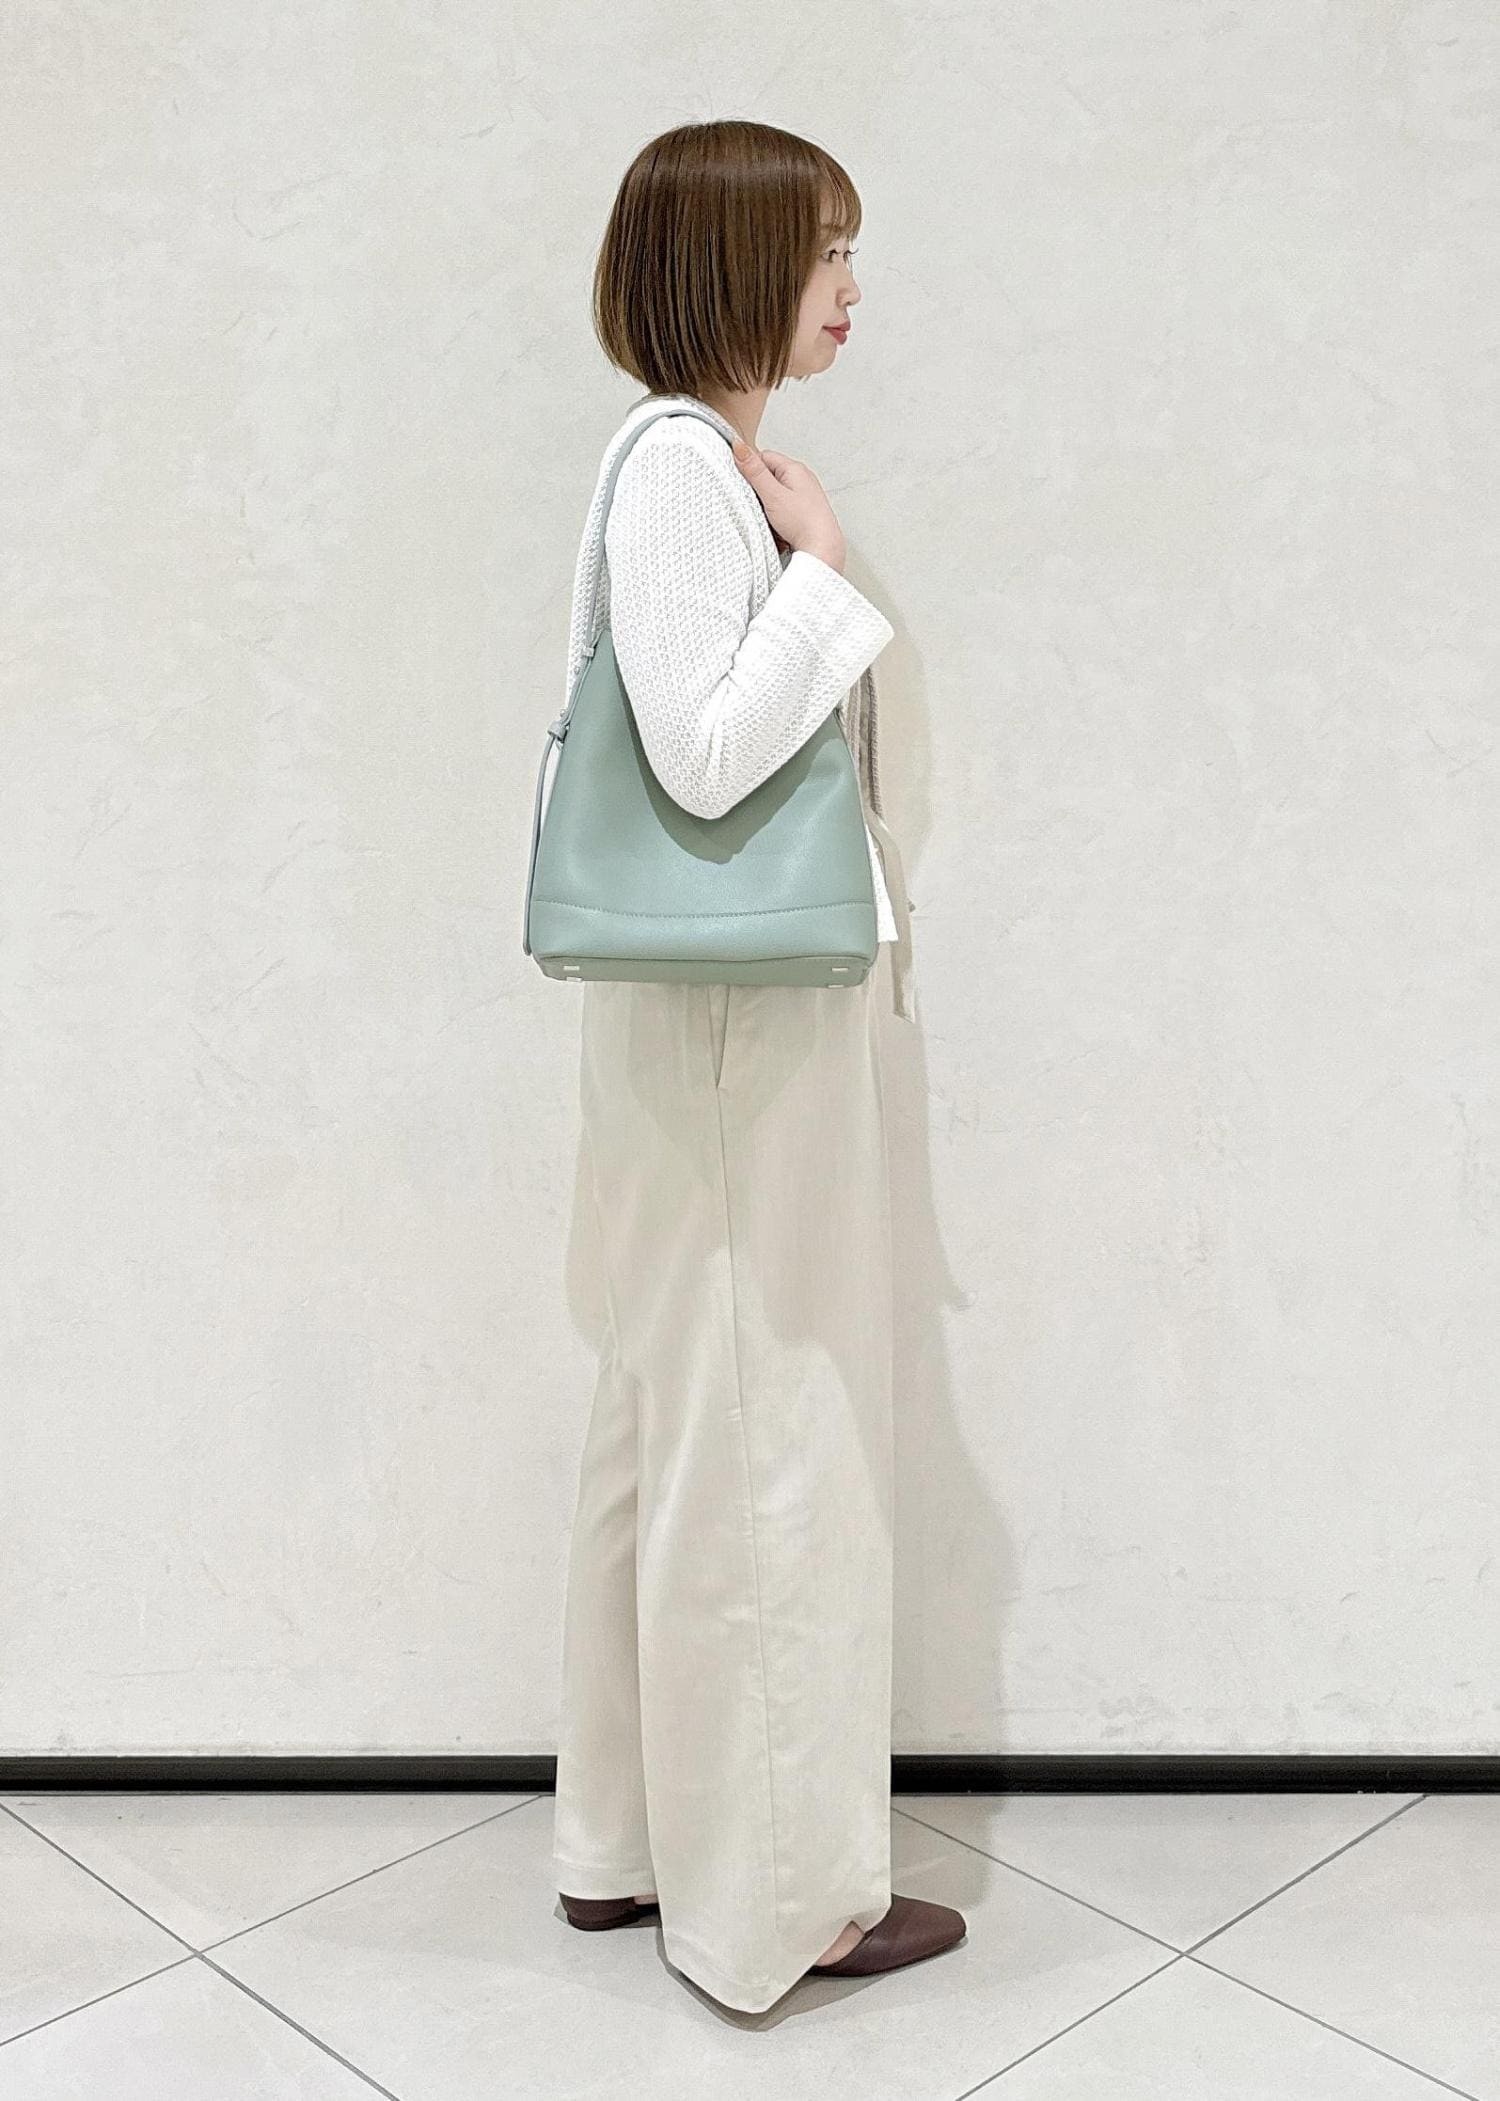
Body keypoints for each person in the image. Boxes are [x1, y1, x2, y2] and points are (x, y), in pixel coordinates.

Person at [549, 117, 965, 2015]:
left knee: (672, 1411)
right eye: (828, 252)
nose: (853, 289)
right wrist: (825, 571)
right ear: (737, 266)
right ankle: (777, 1906)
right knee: (761, 1428)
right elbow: (708, 758)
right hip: (735, 1031)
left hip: (699, 1026)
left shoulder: (693, 464)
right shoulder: (680, 474)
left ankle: (626, 1844)